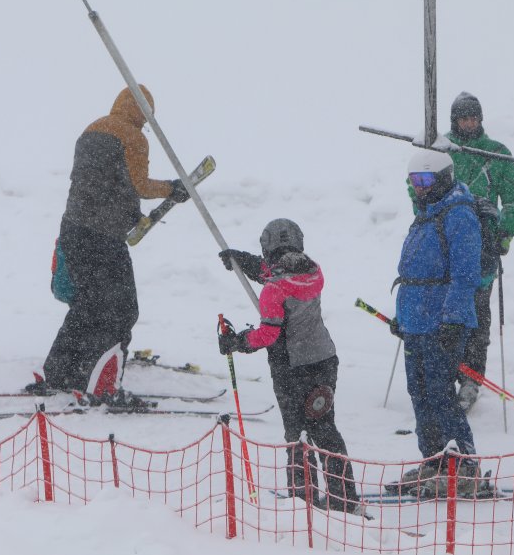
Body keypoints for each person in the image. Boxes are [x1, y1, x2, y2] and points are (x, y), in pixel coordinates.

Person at [29, 85, 190, 403]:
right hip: (103, 239)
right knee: (121, 310)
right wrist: (172, 189)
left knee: (87, 306)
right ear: (141, 111)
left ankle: (61, 374)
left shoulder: (92, 127)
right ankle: (103, 387)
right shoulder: (133, 137)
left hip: (73, 230)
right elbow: (140, 185)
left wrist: (131, 214)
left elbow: (105, 183)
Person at [217, 219, 363, 515]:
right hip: (324, 362)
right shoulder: (313, 272)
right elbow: (275, 271)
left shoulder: (273, 290)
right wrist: (242, 261)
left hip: (291, 369)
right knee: (325, 428)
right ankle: (343, 499)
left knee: (297, 434)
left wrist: (237, 341)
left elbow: (268, 334)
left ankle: (303, 500)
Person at [410, 92, 514, 410]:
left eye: (473, 117)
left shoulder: (497, 154)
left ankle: (472, 379)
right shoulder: (440, 151)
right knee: (441, 312)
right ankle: (443, 372)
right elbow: (416, 185)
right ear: (453, 120)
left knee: (476, 315)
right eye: (463, 118)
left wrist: (503, 231)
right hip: (443, 247)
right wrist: (426, 211)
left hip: (483, 250)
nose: (469, 123)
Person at [391, 150, 483, 495]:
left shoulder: (458, 214)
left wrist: (454, 319)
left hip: (441, 321)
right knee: (420, 393)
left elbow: (465, 274)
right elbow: (414, 271)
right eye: (414, 181)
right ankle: (434, 460)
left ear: (442, 178)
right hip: (417, 321)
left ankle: (464, 463)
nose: (419, 188)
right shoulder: (427, 214)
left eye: (425, 181)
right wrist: (402, 317)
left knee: (440, 394)